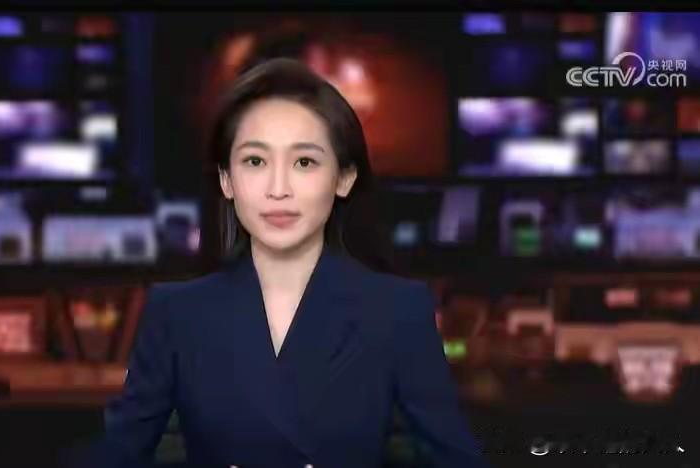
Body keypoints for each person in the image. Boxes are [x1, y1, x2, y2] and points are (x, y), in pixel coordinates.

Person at [76, 57, 491, 468]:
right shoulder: (175, 313)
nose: (278, 189)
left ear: (344, 178)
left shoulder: (398, 310)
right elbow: (118, 455)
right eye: (255, 162)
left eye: (304, 162)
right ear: (226, 180)